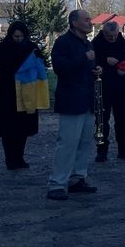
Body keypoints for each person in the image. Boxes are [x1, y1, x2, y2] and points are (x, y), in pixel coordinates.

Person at [47, 10, 102, 201]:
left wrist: (96, 70)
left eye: (90, 19)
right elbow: (60, 68)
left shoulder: (87, 43)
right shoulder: (63, 42)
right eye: (86, 19)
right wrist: (83, 59)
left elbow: (87, 66)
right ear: (74, 22)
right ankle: (57, 184)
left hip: (87, 100)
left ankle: (77, 178)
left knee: (85, 142)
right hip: (71, 100)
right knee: (68, 143)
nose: (90, 22)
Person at [0, 21, 44, 170]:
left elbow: (40, 63)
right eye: (16, 36)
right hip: (8, 92)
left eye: (21, 36)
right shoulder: (3, 47)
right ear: (11, 35)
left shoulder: (31, 47)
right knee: (9, 128)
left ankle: (20, 157)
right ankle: (10, 159)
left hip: (26, 90)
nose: (18, 39)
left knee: (23, 127)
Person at [92, 21, 125, 162]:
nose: (112, 39)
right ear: (103, 32)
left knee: (122, 120)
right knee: (101, 121)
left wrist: (124, 65)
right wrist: (105, 61)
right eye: (108, 36)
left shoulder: (121, 42)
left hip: (120, 88)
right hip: (102, 88)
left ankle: (123, 149)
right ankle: (101, 150)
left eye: (114, 36)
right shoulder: (96, 43)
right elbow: (91, 62)